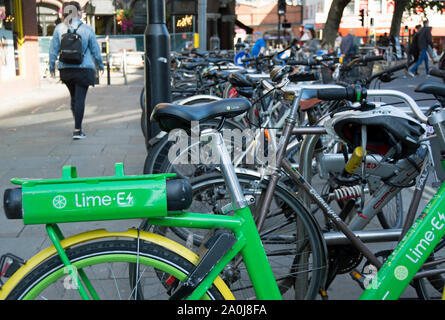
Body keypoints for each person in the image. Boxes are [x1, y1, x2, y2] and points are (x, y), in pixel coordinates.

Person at [49, 1, 104, 140]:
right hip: (83, 69)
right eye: (81, 10)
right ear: (78, 12)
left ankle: (77, 125)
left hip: (65, 69)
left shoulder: (59, 28)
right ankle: (77, 130)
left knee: (74, 97)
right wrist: (100, 65)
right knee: (80, 98)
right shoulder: (87, 29)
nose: (82, 13)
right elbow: (95, 50)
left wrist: (51, 67)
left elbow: (53, 50)